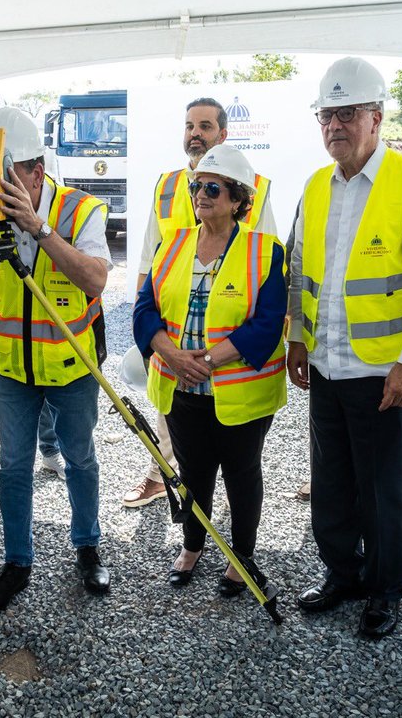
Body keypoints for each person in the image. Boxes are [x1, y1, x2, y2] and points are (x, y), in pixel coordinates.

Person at [287, 57, 402, 638]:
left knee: (381, 488)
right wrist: (298, 339)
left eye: (348, 113)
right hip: (328, 365)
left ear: (377, 118)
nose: (335, 125)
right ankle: (343, 575)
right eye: (327, 115)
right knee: (330, 481)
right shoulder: (315, 184)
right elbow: (302, 269)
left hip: (384, 373)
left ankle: (385, 587)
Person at [0, 108, 112, 612]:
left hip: (71, 365)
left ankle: (87, 546)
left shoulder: (81, 210)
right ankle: (17, 561)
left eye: (9, 177)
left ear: (36, 171)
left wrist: (38, 227)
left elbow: (96, 280)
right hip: (11, 368)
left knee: (79, 459)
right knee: (13, 466)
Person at [133, 145, 286, 593]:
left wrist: (206, 361)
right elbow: (145, 308)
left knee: (242, 475)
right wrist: (172, 355)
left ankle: (241, 556)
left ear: (238, 198)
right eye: (197, 186)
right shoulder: (173, 243)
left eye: (213, 187)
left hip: (239, 394)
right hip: (182, 390)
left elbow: (268, 323)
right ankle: (193, 545)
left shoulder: (265, 250)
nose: (201, 194)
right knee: (193, 474)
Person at [122, 97, 278, 509]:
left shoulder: (254, 188)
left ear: (223, 135)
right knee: (170, 414)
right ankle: (159, 475)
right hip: (175, 338)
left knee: (233, 453)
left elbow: (267, 265)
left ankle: (228, 503)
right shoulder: (167, 185)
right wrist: (148, 333)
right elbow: (147, 259)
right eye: (190, 125)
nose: (196, 134)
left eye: (205, 126)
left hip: (228, 345)